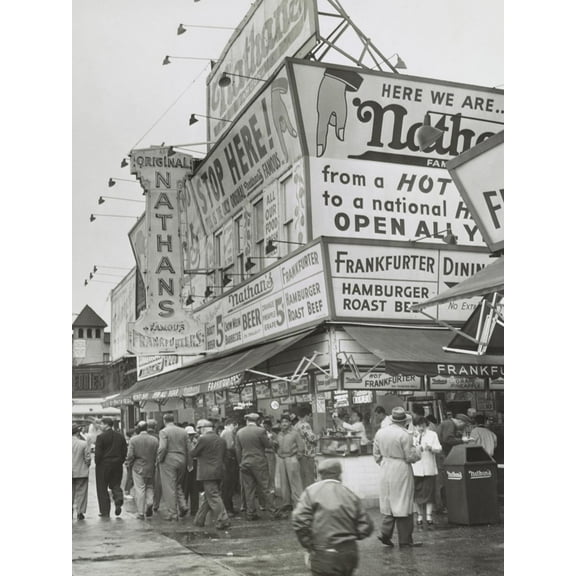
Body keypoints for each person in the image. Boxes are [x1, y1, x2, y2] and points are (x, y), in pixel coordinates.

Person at [292, 459, 374, 576]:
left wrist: (309, 544)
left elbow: (299, 520)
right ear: (339, 475)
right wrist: (350, 537)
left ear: (320, 474)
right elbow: (366, 526)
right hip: (349, 553)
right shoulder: (349, 494)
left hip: (323, 552)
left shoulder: (311, 492)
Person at [373, 407, 423, 548]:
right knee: (403, 502)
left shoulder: (380, 433)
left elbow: (376, 454)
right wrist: (419, 450)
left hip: (385, 467)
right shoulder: (405, 435)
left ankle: (385, 532)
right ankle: (405, 540)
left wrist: (384, 463)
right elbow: (410, 456)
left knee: (389, 502)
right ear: (404, 421)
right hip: (401, 468)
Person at [235, 412, 280, 521]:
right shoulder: (260, 431)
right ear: (258, 421)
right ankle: (273, 512)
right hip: (259, 462)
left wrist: (240, 462)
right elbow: (268, 445)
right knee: (266, 488)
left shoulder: (239, 432)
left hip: (245, 463)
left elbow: (237, 449)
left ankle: (251, 513)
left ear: (247, 421)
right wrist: (272, 440)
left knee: (249, 489)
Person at [190, 419, 230, 530]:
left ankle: (223, 519)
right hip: (219, 471)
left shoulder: (203, 439)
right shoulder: (221, 439)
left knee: (213, 496)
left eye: (198, 428)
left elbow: (193, 453)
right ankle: (199, 519)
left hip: (207, 472)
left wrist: (192, 444)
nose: (198, 431)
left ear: (203, 428)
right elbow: (225, 456)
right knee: (209, 496)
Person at [435, 413, 474, 512]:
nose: (463, 428)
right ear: (460, 422)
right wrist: (462, 440)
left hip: (441, 455)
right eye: (464, 425)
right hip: (442, 455)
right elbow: (448, 439)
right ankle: (442, 506)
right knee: (443, 480)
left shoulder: (447, 423)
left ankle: (442, 506)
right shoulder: (450, 424)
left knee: (442, 480)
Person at [411, 415, 442, 526]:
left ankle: (429, 516)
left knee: (429, 493)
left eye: (422, 425)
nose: (420, 428)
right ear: (415, 426)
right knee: (417, 493)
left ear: (426, 425)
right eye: (418, 426)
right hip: (416, 468)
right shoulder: (412, 436)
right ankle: (419, 515)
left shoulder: (432, 435)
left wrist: (431, 448)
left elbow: (439, 449)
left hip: (429, 468)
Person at [157, 413, 189, 521]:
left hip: (168, 459)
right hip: (182, 459)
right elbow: (189, 448)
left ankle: (172, 513)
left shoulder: (163, 431)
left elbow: (162, 447)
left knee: (169, 487)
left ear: (164, 420)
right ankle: (183, 504)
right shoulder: (183, 431)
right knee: (177, 483)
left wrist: (159, 459)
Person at [94, 418, 127, 518]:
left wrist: (97, 462)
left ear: (106, 425)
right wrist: (120, 460)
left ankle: (105, 511)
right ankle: (118, 499)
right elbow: (124, 451)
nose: (100, 426)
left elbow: (98, 453)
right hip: (117, 464)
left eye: (101, 424)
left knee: (102, 488)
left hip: (103, 465)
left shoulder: (101, 437)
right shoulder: (120, 437)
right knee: (116, 484)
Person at [125, 421, 159, 520]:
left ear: (138, 429)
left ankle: (140, 512)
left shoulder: (133, 440)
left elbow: (130, 455)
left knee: (140, 489)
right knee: (150, 487)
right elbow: (158, 453)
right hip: (151, 467)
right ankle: (150, 503)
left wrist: (128, 462)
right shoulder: (155, 440)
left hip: (138, 467)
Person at [276, 414, 305, 511]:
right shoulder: (279, 434)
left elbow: (301, 446)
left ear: (290, 423)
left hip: (292, 458)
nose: (284, 424)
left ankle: (298, 504)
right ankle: (286, 503)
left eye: (286, 422)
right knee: (283, 483)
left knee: (295, 482)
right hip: (281, 459)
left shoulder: (295, 433)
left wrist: (297, 456)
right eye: (282, 422)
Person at [294, 407, 318, 489]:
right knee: (309, 476)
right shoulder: (305, 425)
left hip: (300, 453)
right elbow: (312, 438)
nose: (310, 418)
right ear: (307, 415)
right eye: (310, 416)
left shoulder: (296, 425)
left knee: (303, 476)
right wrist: (319, 436)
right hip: (307, 453)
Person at [220, 418, 239, 516]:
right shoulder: (228, 433)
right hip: (229, 462)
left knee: (228, 486)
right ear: (231, 424)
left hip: (227, 461)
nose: (236, 429)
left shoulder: (225, 432)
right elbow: (230, 448)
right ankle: (227, 509)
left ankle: (229, 507)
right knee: (228, 486)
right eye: (235, 427)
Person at [72, 424, 91, 520]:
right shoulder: (83, 443)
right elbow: (87, 458)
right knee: (81, 492)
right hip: (81, 471)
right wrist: (86, 466)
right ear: (78, 432)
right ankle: (80, 512)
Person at [184, 425, 200, 516]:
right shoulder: (183, 443)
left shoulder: (196, 442)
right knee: (185, 488)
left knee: (194, 489)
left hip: (194, 465)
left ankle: (194, 509)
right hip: (186, 466)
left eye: (192, 434)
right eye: (189, 434)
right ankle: (184, 508)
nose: (191, 436)